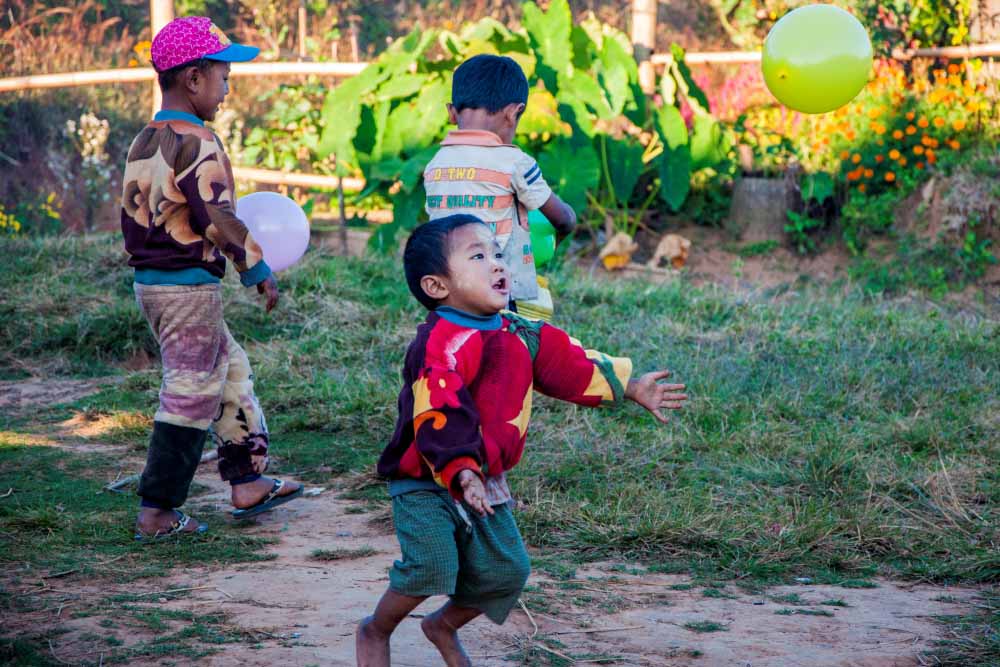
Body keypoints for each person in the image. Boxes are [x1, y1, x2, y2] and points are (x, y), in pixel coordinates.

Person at [356, 215, 688, 666]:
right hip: (427, 476)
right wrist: (461, 469)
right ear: (438, 286)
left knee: (506, 572)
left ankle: (443, 625)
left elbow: (570, 364)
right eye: (478, 256)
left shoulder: (519, 333)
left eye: (497, 254)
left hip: (486, 477)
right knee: (429, 566)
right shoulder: (442, 343)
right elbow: (440, 406)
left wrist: (628, 386)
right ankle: (376, 630)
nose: (497, 264)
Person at [121, 16, 301, 540]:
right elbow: (218, 217)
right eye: (223, 77)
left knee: (229, 369)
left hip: (152, 284)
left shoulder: (144, 139)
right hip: (186, 287)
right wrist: (257, 269)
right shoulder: (199, 142)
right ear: (193, 79)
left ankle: (247, 481)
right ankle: (157, 512)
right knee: (191, 390)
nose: (228, 88)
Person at [423, 54, 577, 311]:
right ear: (513, 112)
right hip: (499, 290)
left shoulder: (435, 164)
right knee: (507, 346)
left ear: (451, 113)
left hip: (449, 285)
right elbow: (561, 219)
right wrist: (564, 229)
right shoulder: (514, 161)